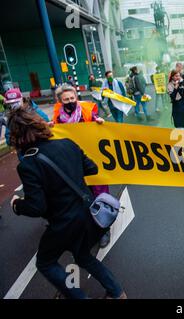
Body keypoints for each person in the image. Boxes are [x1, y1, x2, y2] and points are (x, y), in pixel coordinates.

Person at [8, 105, 126, 299]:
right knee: (83, 256)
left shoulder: (28, 164)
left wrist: (16, 204)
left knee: (45, 262)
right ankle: (117, 292)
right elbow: (92, 168)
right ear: (39, 124)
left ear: (16, 136)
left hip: (63, 223)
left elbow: (37, 207)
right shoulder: (67, 144)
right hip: (89, 214)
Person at [51, 84, 111, 248]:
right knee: (82, 197)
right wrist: (50, 129)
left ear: (76, 97)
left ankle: (104, 229)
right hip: (72, 164)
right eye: (66, 99)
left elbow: (98, 126)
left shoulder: (87, 111)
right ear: (60, 101)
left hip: (92, 160)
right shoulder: (57, 118)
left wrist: (100, 122)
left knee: (100, 193)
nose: (70, 101)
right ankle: (90, 229)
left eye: (72, 98)